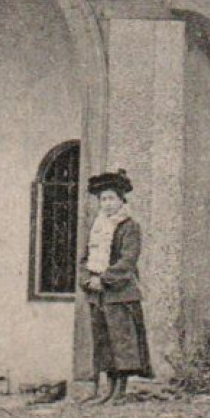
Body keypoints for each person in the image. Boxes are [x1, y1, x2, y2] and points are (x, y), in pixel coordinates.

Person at [78, 170, 153, 404]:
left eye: (111, 198)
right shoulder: (98, 227)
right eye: (103, 199)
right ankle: (107, 391)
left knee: (122, 343)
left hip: (120, 294)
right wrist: (87, 278)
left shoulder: (129, 226)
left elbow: (128, 260)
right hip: (97, 295)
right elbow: (85, 258)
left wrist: (104, 279)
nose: (107, 203)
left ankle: (120, 392)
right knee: (104, 343)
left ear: (121, 200)